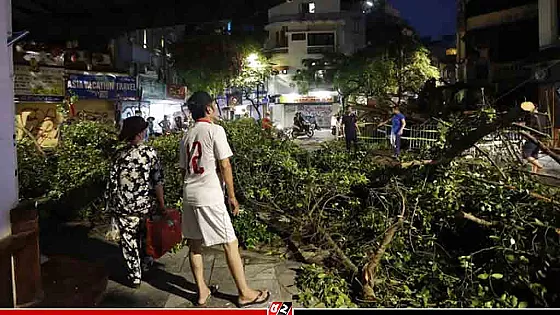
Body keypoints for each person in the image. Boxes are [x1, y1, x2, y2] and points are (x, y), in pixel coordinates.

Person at [179, 91, 270, 307]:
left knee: (194, 244)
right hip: (209, 195)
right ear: (209, 109)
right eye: (215, 105)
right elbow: (225, 164)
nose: (217, 109)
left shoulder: (187, 135)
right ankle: (245, 293)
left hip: (189, 194)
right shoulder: (215, 130)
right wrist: (232, 196)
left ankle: (202, 291)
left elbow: (184, 171)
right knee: (230, 242)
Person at [105, 116, 167, 288]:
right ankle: (146, 264)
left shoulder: (119, 155)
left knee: (129, 241)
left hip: (124, 207)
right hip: (145, 205)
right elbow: (158, 182)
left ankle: (135, 275)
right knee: (146, 236)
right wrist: (161, 204)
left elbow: (112, 183)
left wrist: (110, 206)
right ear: (140, 133)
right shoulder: (150, 153)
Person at [521, 101, 545, 173]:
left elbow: (531, 127)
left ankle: (540, 166)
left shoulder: (533, 116)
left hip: (532, 137)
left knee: (525, 154)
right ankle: (534, 174)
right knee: (534, 156)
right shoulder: (541, 116)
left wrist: (525, 131)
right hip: (539, 138)